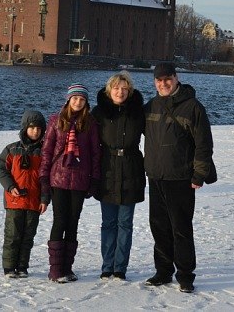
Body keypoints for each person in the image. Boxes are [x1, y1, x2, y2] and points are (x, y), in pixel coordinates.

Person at [143, 62, 217, 294]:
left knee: (181, 228)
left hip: (182, 179)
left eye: (167, 79)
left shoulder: (193, 107)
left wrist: (199, 175)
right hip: (156, 176)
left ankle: (185, 275)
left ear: (176, 78)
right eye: (159, 80)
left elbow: (204, 145)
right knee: (159, 227)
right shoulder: (152, 105)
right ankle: (163, 271)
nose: (163, 84)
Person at [39, 83, 101, 283]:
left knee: (73, 223)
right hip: (58, 178)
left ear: (86, 103)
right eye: (75, 98)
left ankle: (68, 268)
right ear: (68, 100)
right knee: (60, 221)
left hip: (80, 180)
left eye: (82, 100)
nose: (78, 102)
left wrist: (94, 179)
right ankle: (55, 269)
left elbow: (95, 154)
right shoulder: (56, 121)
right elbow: (47, 151)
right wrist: (44, 178)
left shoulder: (90, 124)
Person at [91, 71, 145, 280]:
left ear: (129, 91)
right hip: (108, 169)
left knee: (125, 223)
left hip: (131, 169)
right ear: (109, 90)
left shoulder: (138, 112)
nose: (120, 92)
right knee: (108, 222)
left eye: (124, 89)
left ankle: (120, 267)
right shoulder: (99, 113)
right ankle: (107, 266)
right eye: (116, 88)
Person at [0, 110, 48, 278]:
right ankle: (9, 267)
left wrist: (45, 199)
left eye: (39, 129)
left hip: (34, 202)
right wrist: (10, 187)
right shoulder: (12, 150)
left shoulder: (44, 153)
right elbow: (1, 169)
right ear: (25, 128)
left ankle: (22, 266)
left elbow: (47, 178)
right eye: (32, 128)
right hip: (15, 201)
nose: (35, 132)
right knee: (12, 235)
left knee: (28, 237)